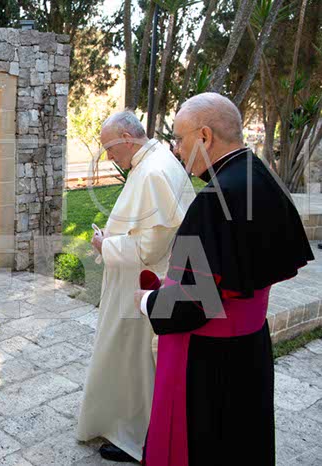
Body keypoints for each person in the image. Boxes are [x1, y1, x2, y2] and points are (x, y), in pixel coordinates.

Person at [134, 93, 314, 466]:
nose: (177, 149)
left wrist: (147, 301)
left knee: (204, 447)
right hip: (250, 347)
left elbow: (189, 306)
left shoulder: (213, 200)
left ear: (204, 136)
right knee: (243, 442)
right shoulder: (260, 174)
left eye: (179, 139)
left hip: (206, 360)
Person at [77, 111, 195, 462]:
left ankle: (134, 437)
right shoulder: (155, 162)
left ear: (128, 138)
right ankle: (129, 428)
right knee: (131, 358)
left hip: (143, 284)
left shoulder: (153, 171)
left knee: (134, 361)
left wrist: (105, 245)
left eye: (110, 148)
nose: (109, 156)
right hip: (140, 281)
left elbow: (149, 249)